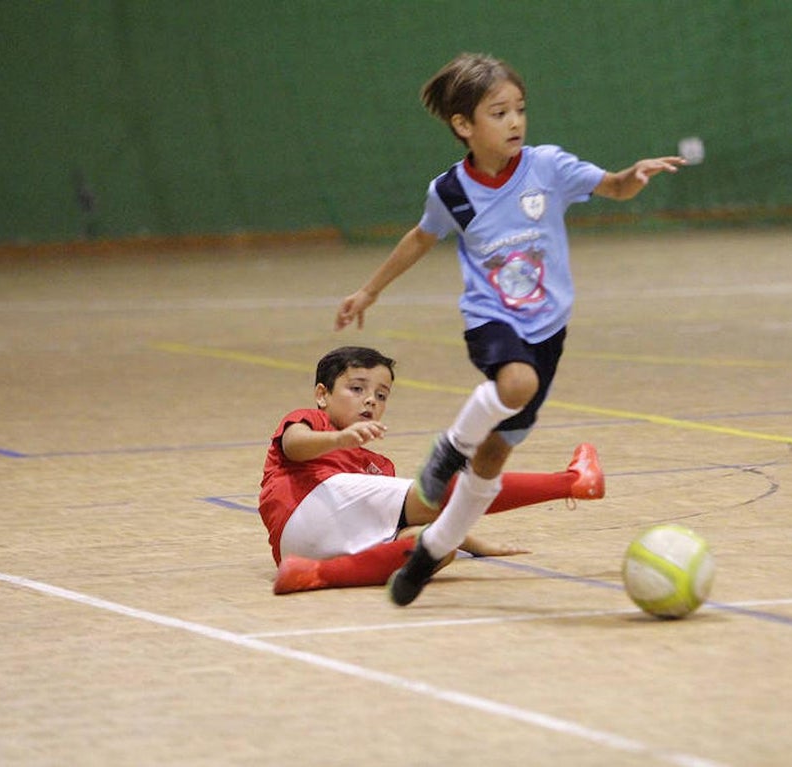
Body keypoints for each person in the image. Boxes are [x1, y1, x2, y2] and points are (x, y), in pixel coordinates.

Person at [334, 52, 684, 606]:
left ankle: (430, 550)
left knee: (495, 457)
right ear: (464, 126)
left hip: (549, 329)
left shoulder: (547, 167)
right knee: (514, 384)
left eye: (520, 109)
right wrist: (370, 290)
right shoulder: (450, 192)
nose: (515, 121)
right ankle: (448, 448)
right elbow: (421, 238)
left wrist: (631, 177)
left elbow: (612, 186)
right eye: (499, 113)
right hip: (491, 318)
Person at [260, 345, 604, 595]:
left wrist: (475, 544)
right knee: (437, 488)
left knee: (435, 547)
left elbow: (418, 515)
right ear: (322, 395)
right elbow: (294, 444)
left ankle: (317, 574)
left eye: (382, 395)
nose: (371, 401)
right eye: (357, 389)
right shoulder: (311, 421)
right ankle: (572, 482)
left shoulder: (378, 467)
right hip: (304, 511)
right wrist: (339, 439)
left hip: (302, 552)